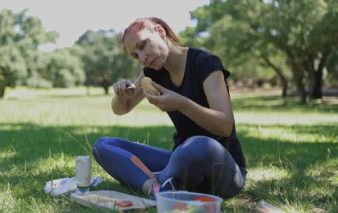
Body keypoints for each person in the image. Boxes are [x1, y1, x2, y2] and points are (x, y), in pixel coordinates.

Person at [92, 17, 246, 199]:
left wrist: (181, 103)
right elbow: (121, 108)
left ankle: (155, 179)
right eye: (135, 55)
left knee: (198, 145)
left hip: (221, 166)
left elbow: (224, 126)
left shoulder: (205, 63)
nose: (142, 58)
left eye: (143, 45)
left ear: (160, 32)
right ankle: (157, 189)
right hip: (180, 159)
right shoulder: (152, 72)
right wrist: (120, 95)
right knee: (104, 145)